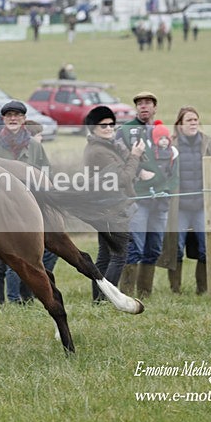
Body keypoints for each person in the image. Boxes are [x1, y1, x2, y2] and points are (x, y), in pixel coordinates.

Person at [0, 100, 52, 303]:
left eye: (17, 115)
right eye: (9, 115)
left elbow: (46, 175)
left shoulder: (35, 147)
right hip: (0, 210)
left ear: (24, 119)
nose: (13, 119)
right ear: (3, 119)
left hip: (30, 209)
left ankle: (26, 298)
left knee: (29, 255)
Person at [158, 107, 211, 294]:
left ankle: (203, 289)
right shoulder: (171, 144)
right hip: (179, 207)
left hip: (203, 206)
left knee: (207, 246)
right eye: (189, 120)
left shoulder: (207, 142)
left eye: (195, 120)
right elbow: (163, 172)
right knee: (176, 248)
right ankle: (175, 289)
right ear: (180, 125)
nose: (193, 123)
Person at [116, 92, 179, 298]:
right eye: (140, 104)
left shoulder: (162, 132)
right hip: (138, 198)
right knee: (135, 247)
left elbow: (172, 162)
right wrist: (138, 171)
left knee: (154, 248)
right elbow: (118, 156)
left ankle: (145, 294)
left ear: (155, 107)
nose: (144, 106)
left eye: (148, 103)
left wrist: (168, 188)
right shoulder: (125, 131)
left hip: (161, 199)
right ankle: (127, 294)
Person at [83, 106, 144, 300]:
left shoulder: (108, 147)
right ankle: (108, 299)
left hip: (106, 206)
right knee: (119, 255)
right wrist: (135, 156)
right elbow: (123, 178)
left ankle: (99, 300)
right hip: (111, 207)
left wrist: (131, 154)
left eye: (111, 124)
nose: (109, 128)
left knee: (105, 255)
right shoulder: (99, 152)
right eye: (103, 126)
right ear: (93, 128)